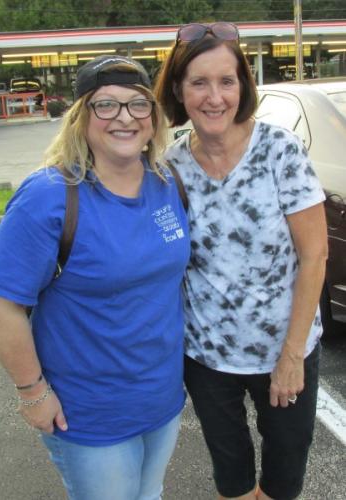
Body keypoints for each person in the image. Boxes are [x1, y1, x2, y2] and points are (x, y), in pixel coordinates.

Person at [0, 55, 190, 500]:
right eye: (106, 105)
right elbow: (1, 302)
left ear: (153, 119)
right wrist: (33, 392)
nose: (124, 118)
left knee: (149, 494)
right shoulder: (49, 197)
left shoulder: (167, 182)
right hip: (89, 413)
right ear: (81, 118)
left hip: (162, 399)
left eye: (137, 105)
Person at [155, 22, 328, 500]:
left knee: (283, 477)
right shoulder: (170, 166)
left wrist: (292, 355)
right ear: (178, 90)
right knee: (232, 480)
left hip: (285, 348)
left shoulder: (280, 151)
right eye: (199, 82)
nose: (215, 97)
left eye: (226, 81)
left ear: (243, 87)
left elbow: (315, 256)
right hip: (208, 357)